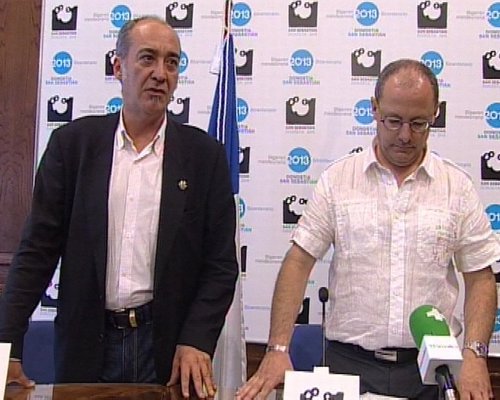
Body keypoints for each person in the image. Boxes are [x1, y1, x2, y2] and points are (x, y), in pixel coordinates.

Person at [0, 16, 238, 399]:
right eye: (147, 58)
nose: (160, 73)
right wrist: (7, 345)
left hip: (168, 352)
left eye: (172, 63)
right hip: (86, 345)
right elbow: (36, 254)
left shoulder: (204, 157)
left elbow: (221, 265)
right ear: (118, 66)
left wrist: (197, 339)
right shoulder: (72, 147)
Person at [237, 59, 500, 400]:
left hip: (431, 372)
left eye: (418, 123)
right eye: (393, 121)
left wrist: (475, 354)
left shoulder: (457, 188)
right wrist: (276, 348)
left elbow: (480, 277)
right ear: (374, 109)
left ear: (435, 113)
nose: (405, 135)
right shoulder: (338, 180)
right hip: (347, 367)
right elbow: (298, 262)